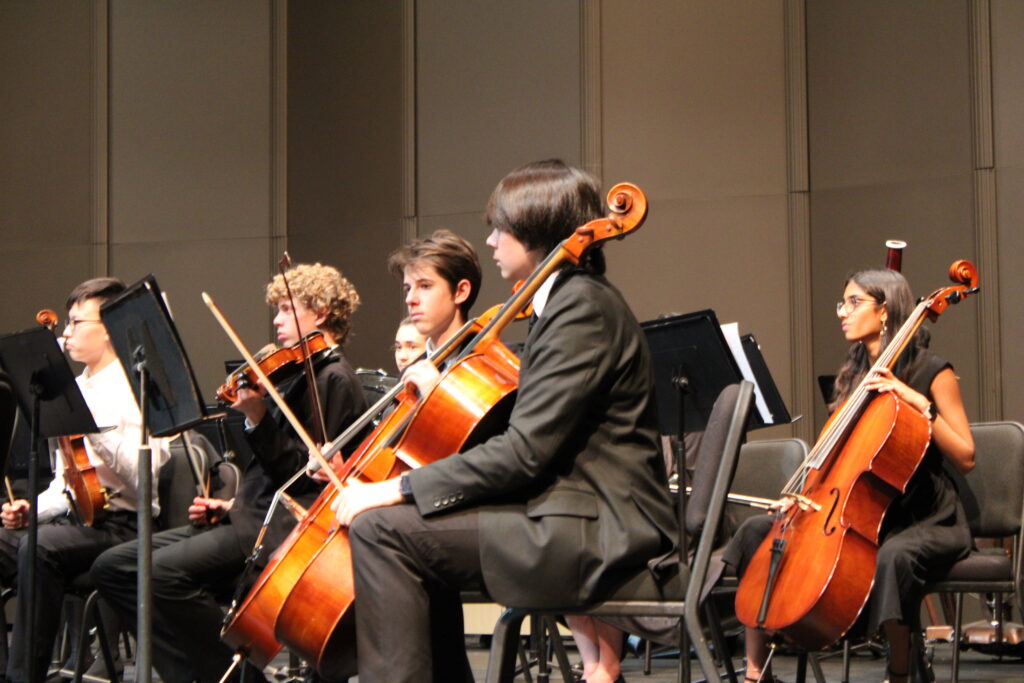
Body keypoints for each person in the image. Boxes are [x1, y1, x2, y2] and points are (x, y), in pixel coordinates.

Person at [330, 159, 677, 683]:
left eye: (501, 228)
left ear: (535, 230)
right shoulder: (563, 303)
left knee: (382, 529)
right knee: (409, 526)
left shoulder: (580, 307)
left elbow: (525, 453)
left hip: (597, 529)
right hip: (567, 511)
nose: (491, 241)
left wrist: (396, 488)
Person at [92, 263, 368, 683]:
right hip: (245, 517)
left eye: (287, 309)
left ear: (321, 312)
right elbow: (275, 472)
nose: (276, 321)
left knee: (158, 573)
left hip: (277, 531)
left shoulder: (335, 380)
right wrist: (230, 504)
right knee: (112, 566)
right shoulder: (297, 374)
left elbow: (307, 478)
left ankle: (237, 677)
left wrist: (257, 417)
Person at [724, 268, 974, 683]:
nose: (842, 312)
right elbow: (840, 459)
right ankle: (755, 672)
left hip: (923, 517)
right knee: (755, 532)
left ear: (885, 311)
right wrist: (802, 495)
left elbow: (966, 456)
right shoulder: (855, 377)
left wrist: (916, 402)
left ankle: (900, 671)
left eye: (854, 303)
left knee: (893, 556)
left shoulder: (932, 371)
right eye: (842, 303)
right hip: (860, 512)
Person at [0, 277, 171, 683]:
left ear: (108, 329)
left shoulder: (139, 387)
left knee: (39, 548)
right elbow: (67, 482)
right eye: (68, 322)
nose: (66, 333)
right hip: (75, 521)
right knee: (24, 539)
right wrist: (32, 510)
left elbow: (144, 478)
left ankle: (25, 677)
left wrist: (94, 426)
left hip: (124, 527)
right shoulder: (72, 389)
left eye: (77, 323)